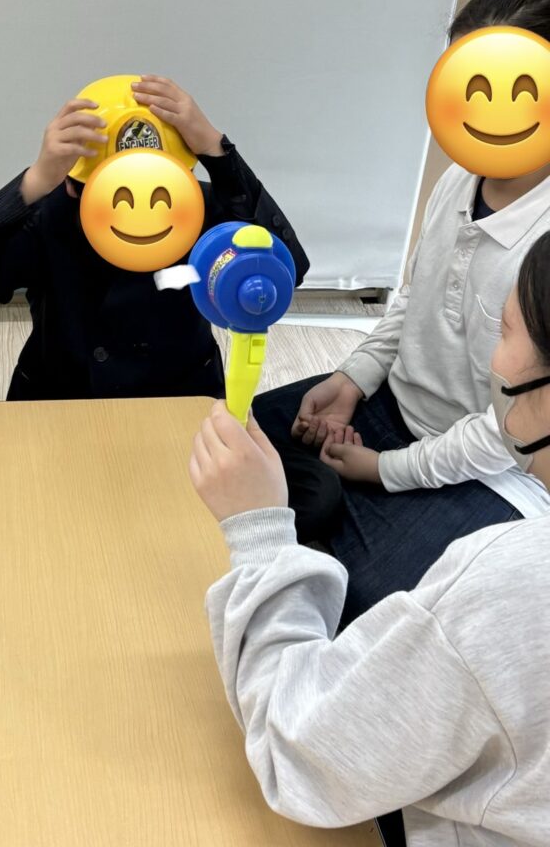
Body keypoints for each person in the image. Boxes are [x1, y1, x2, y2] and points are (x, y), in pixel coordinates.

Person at [189, 229, 550, 847]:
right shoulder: (457, 192)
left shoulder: (507, 587)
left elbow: (298, 754)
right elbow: (409, 301)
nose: (493, 354)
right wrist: (353, 379)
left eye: (505, 329)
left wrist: (259, 533)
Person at [253, 0, 550, 620]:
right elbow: (414, 300)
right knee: (242, 442)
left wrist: (385, 469)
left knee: (370, 607)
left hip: (489, 469)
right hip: (393, 408)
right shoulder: (459, 178)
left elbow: (513, 429)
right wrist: (352, 379)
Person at [0, 77, 308, 396]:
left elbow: (285, 271)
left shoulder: (203, 210)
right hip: (61, 397)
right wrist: (34, 182)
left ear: (184, 178)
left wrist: (219, 153)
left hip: (180, 397)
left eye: (159, 191)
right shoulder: (50, 216)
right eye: (116, 194)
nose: (139, 211)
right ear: (74, 186)